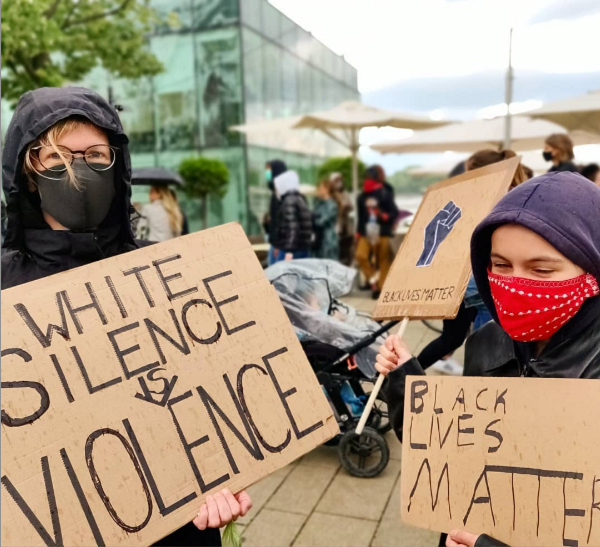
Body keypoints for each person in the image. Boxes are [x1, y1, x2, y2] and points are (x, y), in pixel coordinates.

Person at [1, 86, 252, 546]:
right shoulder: (3, 285)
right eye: (54, 157)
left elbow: (204, 396)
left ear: (117, 164)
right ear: (27, 173)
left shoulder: (163, 275)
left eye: (95, 154)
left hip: (173, 520)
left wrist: (224, 469)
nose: (76, 169)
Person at [375, 171, 600, 547]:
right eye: (500, 265)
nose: (515, 283)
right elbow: (455, 452)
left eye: (541, 270)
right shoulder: (485, 344)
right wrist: (404, 379)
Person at [419, 150, 531, 375]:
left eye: (469, 171)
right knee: (482, 344)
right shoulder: (516, 198)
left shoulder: (487, 199)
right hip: (488, 281)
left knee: (472, 343)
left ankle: (408, 373)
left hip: (473, 281)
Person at [355, 165, 399, 299]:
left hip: (383, 231)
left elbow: (394, 212)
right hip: (367, 232)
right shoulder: (362, 196)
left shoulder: (385, 191)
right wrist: (358, 233)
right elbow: (361, 216)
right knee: (361, 255)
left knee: (384, 260)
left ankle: (381, 288)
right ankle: (373, 280)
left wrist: (383, 215)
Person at [272, 170, 312, 261]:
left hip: (291, 249)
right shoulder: (300, 199)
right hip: (302, 247)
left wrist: (289, 251)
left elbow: (292, 227)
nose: (277, 191)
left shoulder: (288, 201)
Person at [263, 159, 287, 265]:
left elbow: (283, 221)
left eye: (269, 170)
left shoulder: (282, 194)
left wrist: (278, 244)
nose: (267, 173)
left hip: (280, 245)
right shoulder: (275, 192)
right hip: (275, 243)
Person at [330, 172, 354, 265]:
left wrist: (345, 208)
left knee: (346, 252)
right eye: (336, 180)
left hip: (346, 227)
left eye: (340, 179)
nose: (339, 182)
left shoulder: (345, 193)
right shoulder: (331, 195)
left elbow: (351, 206)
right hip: (335, 228)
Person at [313, 178, 339, 260]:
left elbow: (321, 221)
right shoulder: (319, 203)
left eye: (320, 188)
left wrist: (312, 218)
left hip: (328, 240)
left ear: (327, 190)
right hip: (319, 239)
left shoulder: (331, 205)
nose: (318, 190)